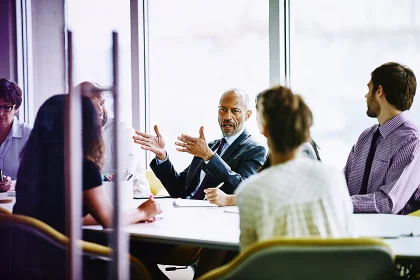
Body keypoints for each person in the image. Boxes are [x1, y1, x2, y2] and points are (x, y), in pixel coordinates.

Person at [13, 94, 161, 233]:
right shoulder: (82, 167)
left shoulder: (30, 162)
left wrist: (130, 214)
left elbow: (62, 217)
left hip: (28, 254)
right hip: (65, 256)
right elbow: (108, 220)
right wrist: (142, 212)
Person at [235, 85, 354, 251]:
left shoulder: (250, 192)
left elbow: (249, 261)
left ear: (265, 130)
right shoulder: (334, 177)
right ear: (306, 131)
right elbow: (348, 238)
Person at [133, 88, 267, 199]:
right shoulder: (208, 147)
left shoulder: (255, 150)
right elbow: (178, 189)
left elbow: (244, 190)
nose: (227, 116)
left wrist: (209, 157)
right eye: (223, 109)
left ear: (248, 115)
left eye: (235, 111)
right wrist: (162, 157)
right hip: (185, 211)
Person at [204, 91, 321, 206]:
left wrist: (228, 200)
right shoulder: (279, 149)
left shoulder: (301, 150)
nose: (256, 118)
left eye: (259, 111)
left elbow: (282, 196)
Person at [344, 62, 420, 215]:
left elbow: (387, 203)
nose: (366, 96)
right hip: (353, 231)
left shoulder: (412, 142)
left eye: (368, 88)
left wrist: (339, 204)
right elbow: (342, 184)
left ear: (379, 91)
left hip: (393, 235)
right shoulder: (365, 138)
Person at [76, 81, 151, 197]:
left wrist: (79, 181)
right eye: (92, 105)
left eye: (102, 103)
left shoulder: (121, 130)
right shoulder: (72, 133)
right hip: (93, 204)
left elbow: (124, 175)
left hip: (134, 201)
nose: (100, 111)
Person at [0, 78, 31, 191]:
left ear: (16, 108)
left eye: (7, 107)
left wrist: (13, 184)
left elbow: (41, 177)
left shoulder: (29, 135)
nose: (0, 113)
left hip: (17, 204)